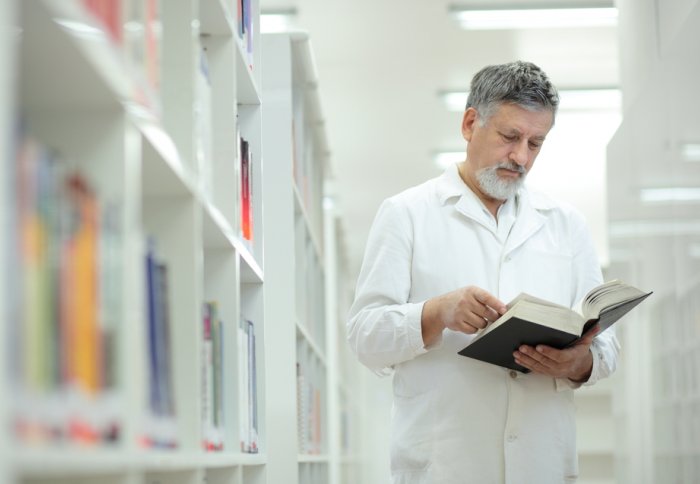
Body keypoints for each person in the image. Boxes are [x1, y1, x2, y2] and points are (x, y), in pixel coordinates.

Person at [347, 61, 620, 484]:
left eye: (536, 143)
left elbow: (607, 348)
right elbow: (364, 337)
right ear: (471, 123)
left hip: (541, 461)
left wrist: (577, 363)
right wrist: (435, 313)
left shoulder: (567, 224)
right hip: (447, 463)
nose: (521, 157)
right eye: (510, 137)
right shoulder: (407, 214)